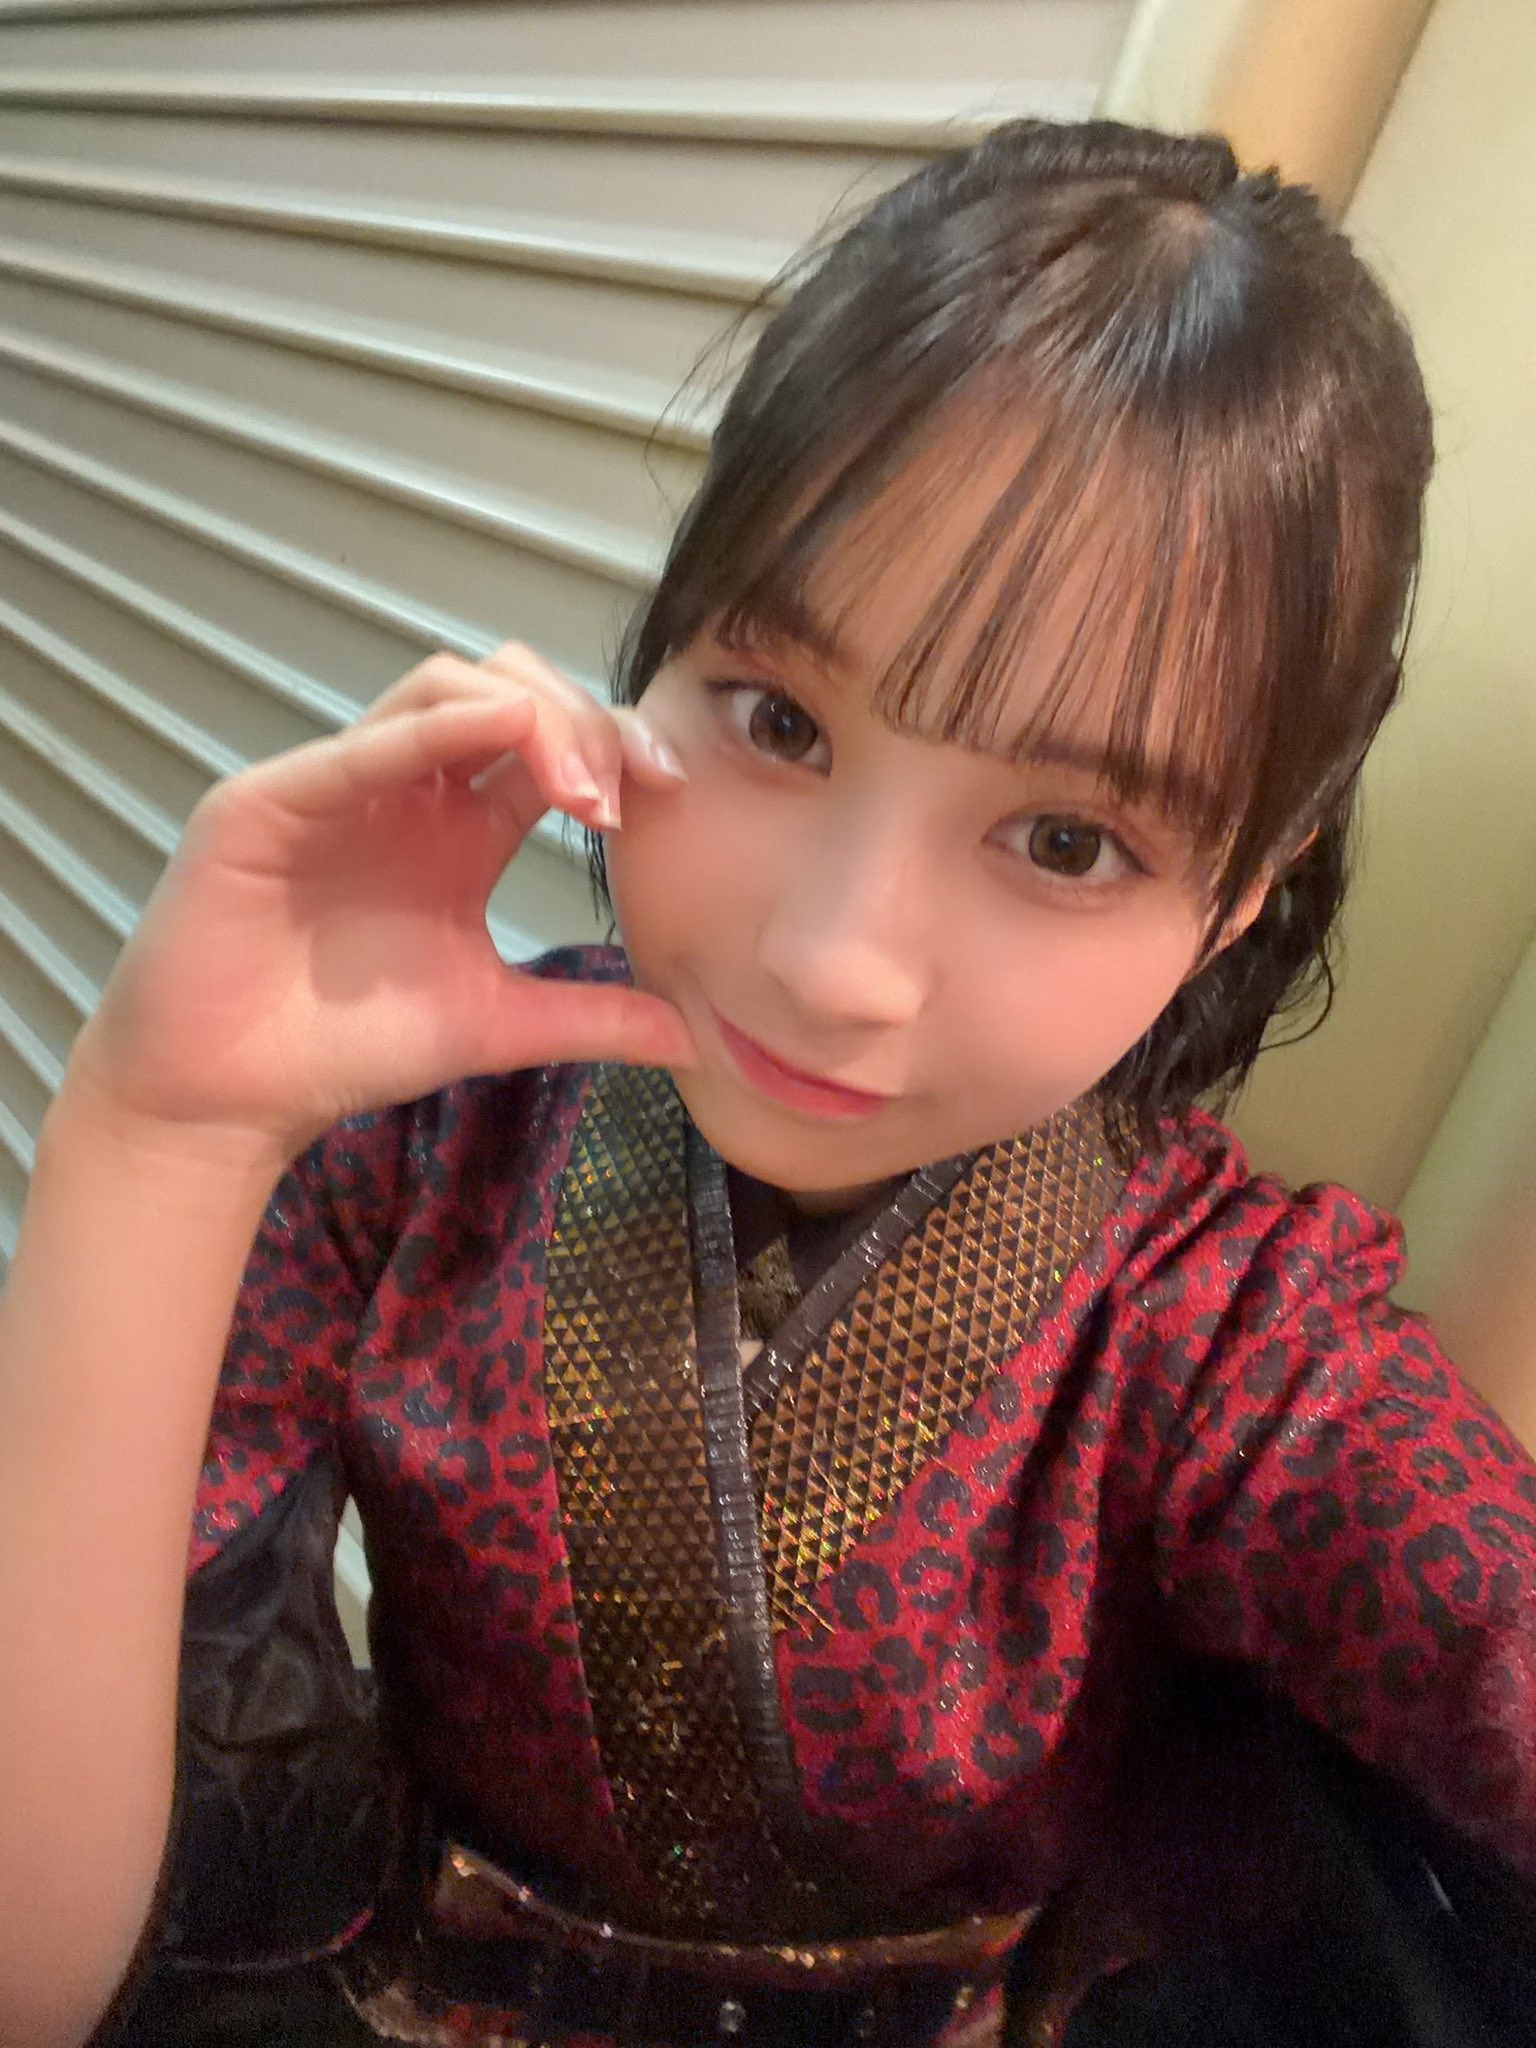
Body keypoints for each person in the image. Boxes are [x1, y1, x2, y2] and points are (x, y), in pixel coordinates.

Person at [0, 118, 1532, 2048]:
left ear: (1241, 894)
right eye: (781, 720)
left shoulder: (1222, 1338)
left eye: (1066, 841)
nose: (829, 958)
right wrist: (160, 1133)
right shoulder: (416, 1138)